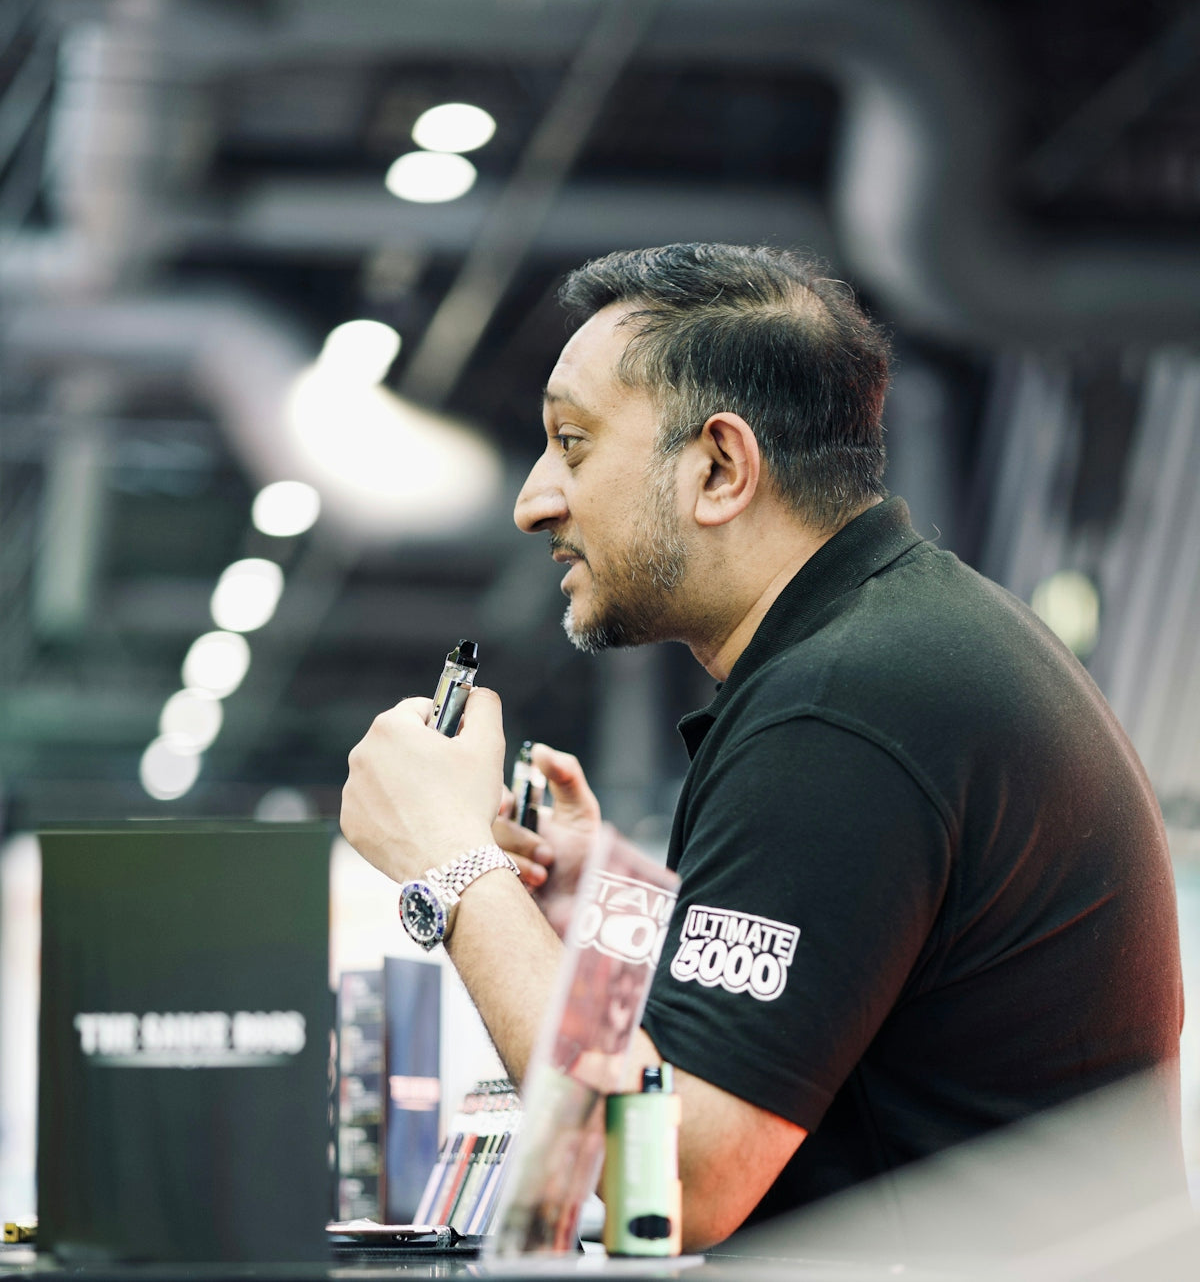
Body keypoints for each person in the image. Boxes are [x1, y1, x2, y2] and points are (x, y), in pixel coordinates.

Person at [340, 243, 1185, 1252]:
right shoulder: (895, 650)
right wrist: (592, 927)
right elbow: (767, 1039)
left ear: (720, 468)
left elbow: (676, 1181)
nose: (534, 500)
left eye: (571, 441)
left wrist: (455, 864)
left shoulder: (841, 710)